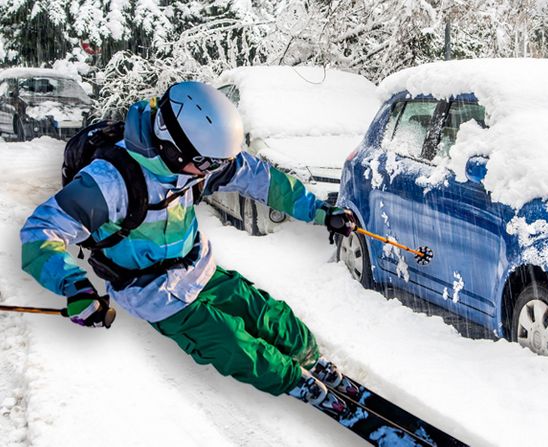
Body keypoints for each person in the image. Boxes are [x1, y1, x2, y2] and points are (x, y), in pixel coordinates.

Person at [20, 81, 356, 409]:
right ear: (172, 147)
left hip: (197, 266)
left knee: (269, 315)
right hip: (153, 292)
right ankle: (292, 380)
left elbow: (264, 180)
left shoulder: (198, 162)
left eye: (220, 161)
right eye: (210, 163)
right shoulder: (110, 182)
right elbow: (40, 232)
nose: (216, 170)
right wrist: (76, 288)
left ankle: (309, 357)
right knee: (233, 344)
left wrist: (320, 212)